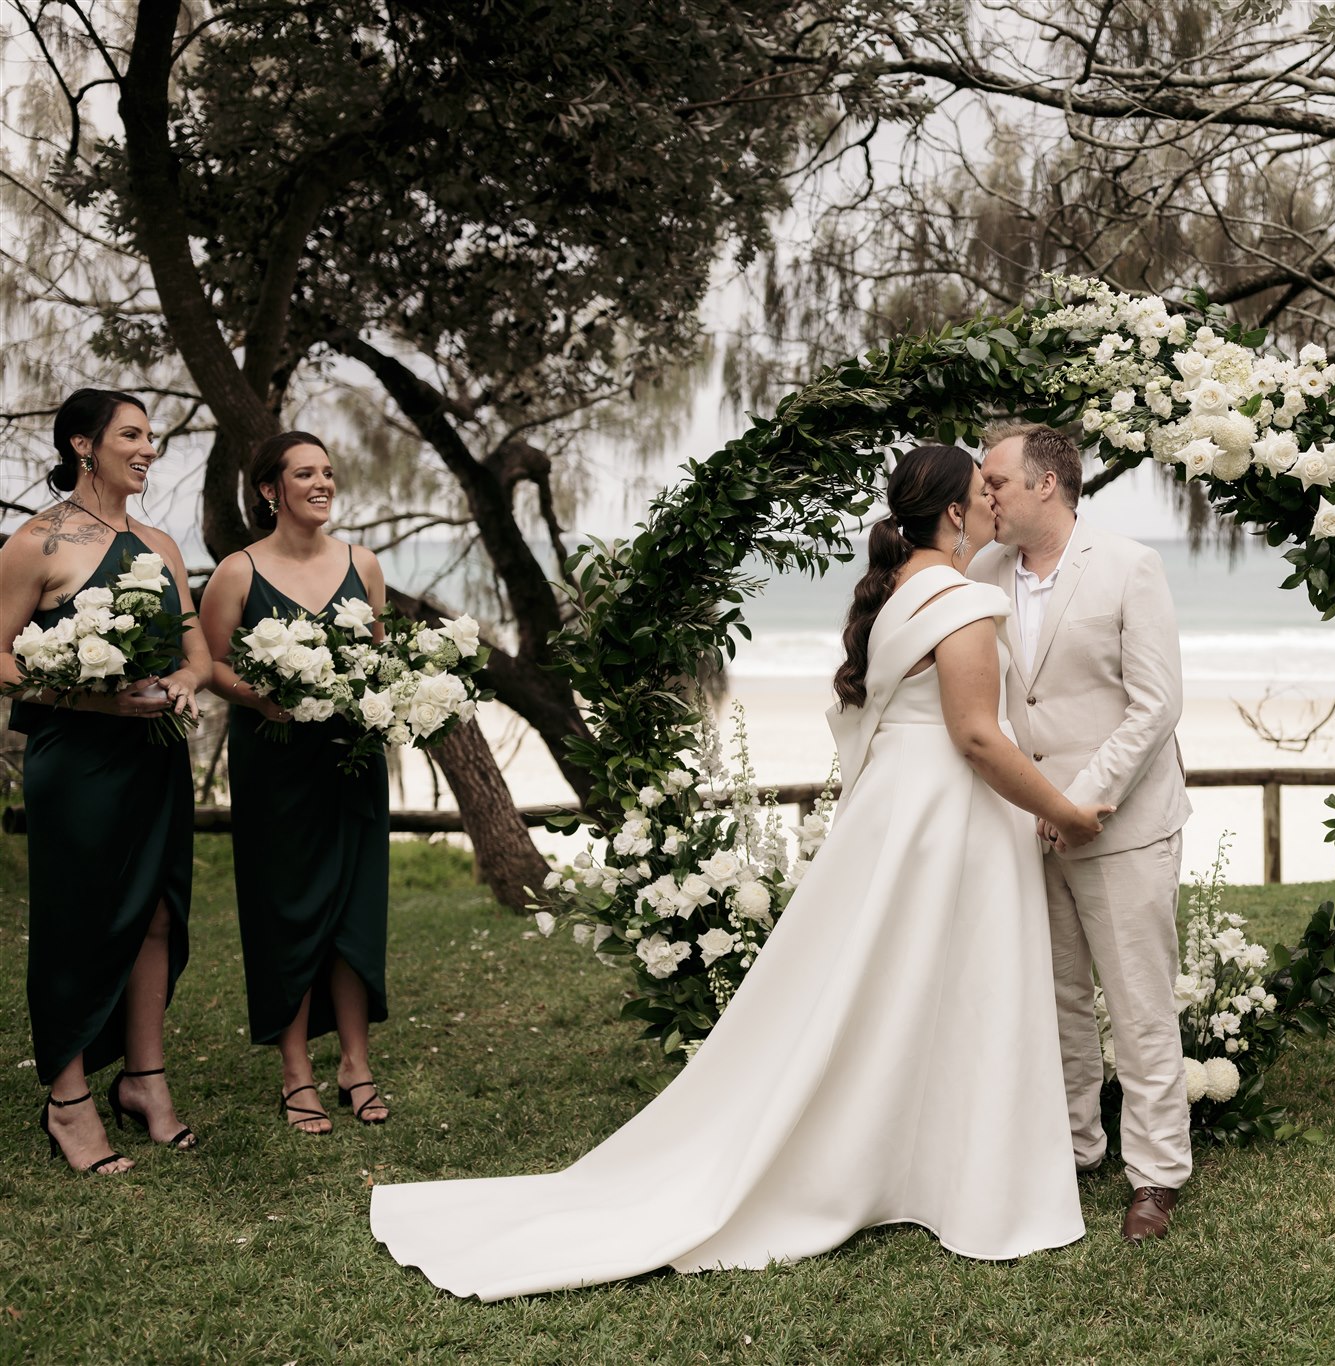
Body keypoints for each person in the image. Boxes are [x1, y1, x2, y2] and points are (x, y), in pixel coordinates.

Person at [371, 445, 1112, 1299]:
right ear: (952, 513)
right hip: (949, 813)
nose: (992, 504)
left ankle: (911, 1161)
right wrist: (1064, 810)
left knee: (891, 985)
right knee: (956, 983)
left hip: (895, 811)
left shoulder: (902, 590)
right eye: (981, 493)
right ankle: (956, 1172)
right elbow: (978, 737)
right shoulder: (965, 600)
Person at [971, 421, 1194, 1242]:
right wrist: (1032, 806)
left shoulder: (1132, 566)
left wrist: (1082, 801)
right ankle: (1074, 1149)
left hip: (1121, 824)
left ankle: (1158, 1174)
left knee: (1139, 1007)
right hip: (1026, 828)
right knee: (1057, 997)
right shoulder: (984, 571)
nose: (984, 495)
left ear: (1045, 486)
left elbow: (1156, 706)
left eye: (995, 481)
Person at [0, 389, 205, 1172]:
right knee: (76, 921)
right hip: (76, 761)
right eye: (132, 435)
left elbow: (191, 650)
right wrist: (85, 693)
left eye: (152, 436)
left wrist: (186, 683)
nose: (148, 448)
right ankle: (68, 1098)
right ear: (84, 446)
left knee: (157, 914)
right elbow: (0, 655)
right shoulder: (37, 544)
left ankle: (145, 1082)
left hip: (153, 755)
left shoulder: (161, 544)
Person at [198, 432, 393, 1134]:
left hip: (351, 760)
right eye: (305, 473)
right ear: (269, 490)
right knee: (285, 910)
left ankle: (355, 1064)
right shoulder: (237, 573)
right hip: (275, 762)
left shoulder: (362, 564)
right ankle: (294, 1072)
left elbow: (377, 655)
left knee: (353, 909)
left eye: (329, 473)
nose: (322, 483)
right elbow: (211, 664)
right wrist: (261, 696)